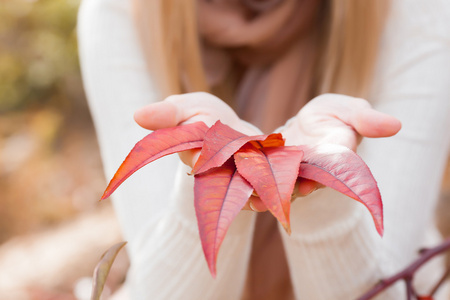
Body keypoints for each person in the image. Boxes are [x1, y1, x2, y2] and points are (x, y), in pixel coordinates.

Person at [77, 0, 450, 299]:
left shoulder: (419, 12)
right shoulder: (119, 13)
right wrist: (215, 169)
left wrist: (320, 187)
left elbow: (381, 287)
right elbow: (165, 291)